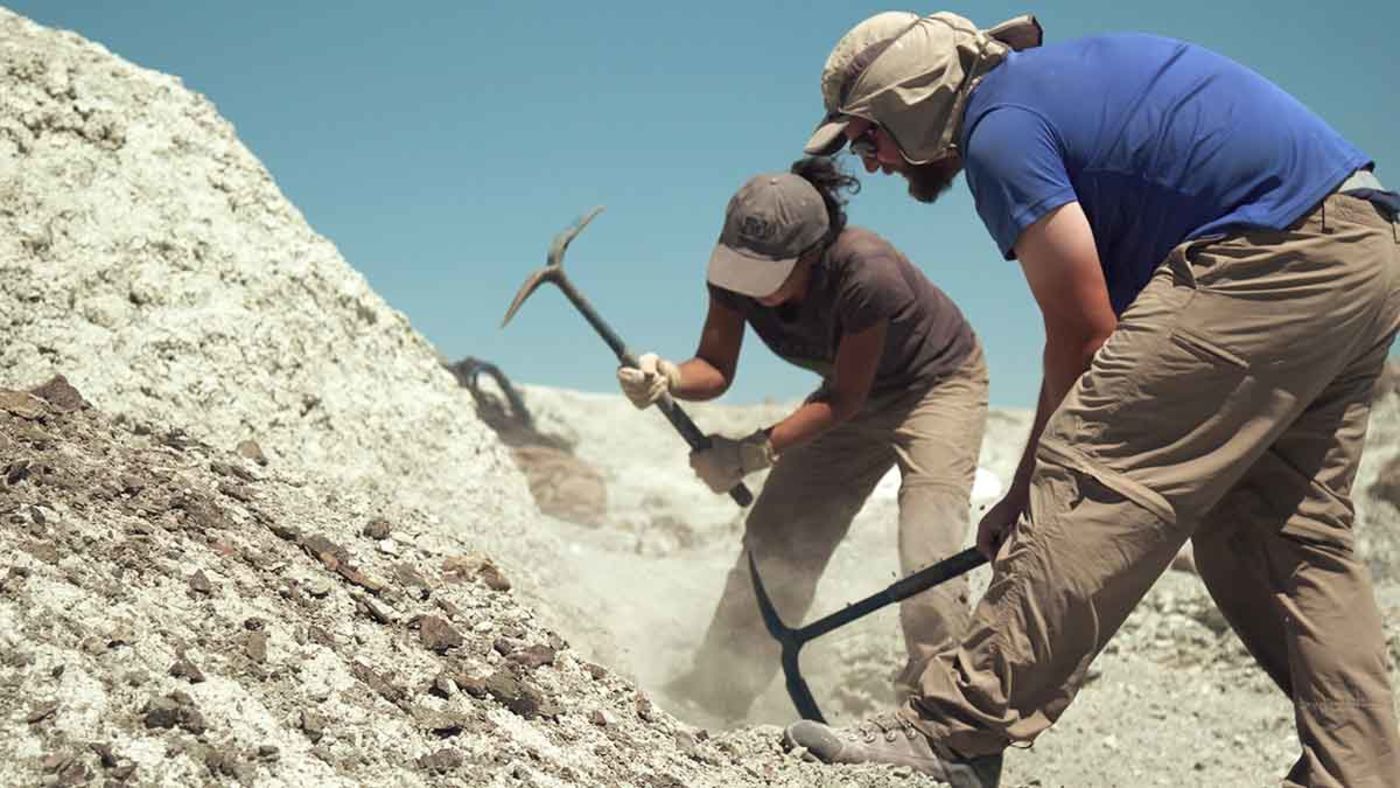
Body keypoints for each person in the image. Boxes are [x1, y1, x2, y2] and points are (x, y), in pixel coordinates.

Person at [783, 11, 1400, 787]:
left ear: (909, 101)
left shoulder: (998, 130)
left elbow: (1083, 334)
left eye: (867, 135)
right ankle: (1363, 773)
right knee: (1277, 534)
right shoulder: (1051, 89)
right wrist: (1026, 488)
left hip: (1271, 249)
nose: (870, 162)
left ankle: (954, 731)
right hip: (1363, 245)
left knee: (1094, 474)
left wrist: (1030, 488)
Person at [616, 156, 989, 724]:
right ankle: (720, 686)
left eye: (769, 278)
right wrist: (667, 376)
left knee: (928, 552)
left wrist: (749, 453)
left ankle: (942, 721)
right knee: (775, 531)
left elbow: (843, 399)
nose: (752, 291)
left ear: (813, 255)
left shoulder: (867, 273)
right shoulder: (736, 272)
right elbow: (715, 366)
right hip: (851, 394)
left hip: (935, 385)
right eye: (742, 272)